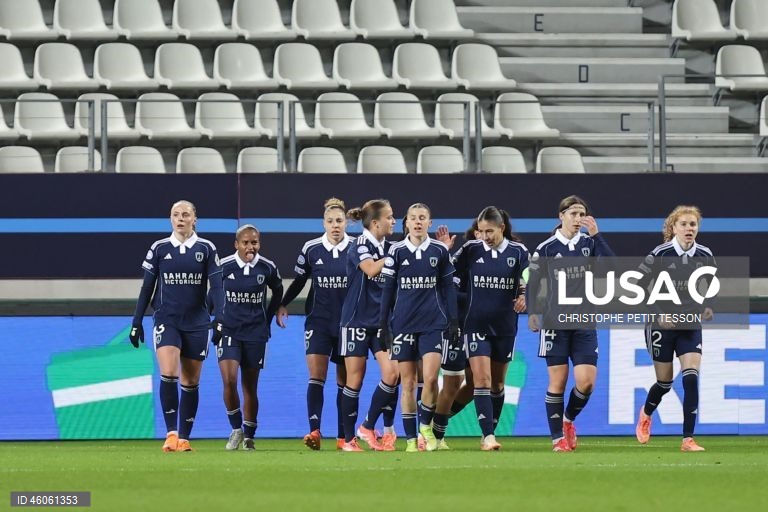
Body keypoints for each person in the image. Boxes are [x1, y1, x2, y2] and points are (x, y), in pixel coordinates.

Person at [129, 200, 224, 452]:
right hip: (167, 319)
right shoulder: (159, 248)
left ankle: (184, 437)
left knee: (191, 381)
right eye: (175, 214)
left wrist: (221, 320)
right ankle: (171, 433)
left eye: (185, 214)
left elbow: (217, 287)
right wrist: (136, 321)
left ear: (195, 219)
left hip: (197, 322)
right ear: (170, 219)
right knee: (169, 372)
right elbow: (147, 287)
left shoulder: (207, 248)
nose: (180, 218)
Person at [526, 195, 615, 452]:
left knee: (586, 382)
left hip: (584, 320)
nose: (578, 219)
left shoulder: (589, 243)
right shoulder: (546, 248)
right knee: (558, 381)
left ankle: (568, 420)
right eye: (574, 214)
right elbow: (534, 282)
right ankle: (557, 439)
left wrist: (598, 235)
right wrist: (533, 312)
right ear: (561, 216)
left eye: (582, 214)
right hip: (555, 322)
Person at [635, 206, 715, 452]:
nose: (689, 229)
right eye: (684, 224)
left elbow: (708, 286)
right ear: (673, 227)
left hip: (689, 324)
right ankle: (646, 413)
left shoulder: (705, 255)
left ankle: (687, 439)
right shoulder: (660, 253)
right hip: (661, 326)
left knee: (691, 377)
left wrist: (707, 306)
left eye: (693, 224)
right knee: (665, 382)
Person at [380, 203, 459, 452]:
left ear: (429, 222)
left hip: (433, 324)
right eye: (413, 218)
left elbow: (448, 288)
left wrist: (454, 320)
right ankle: (411, 440)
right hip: (403, 325)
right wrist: (383, 324)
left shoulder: (439, 251)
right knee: (409, 383)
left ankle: (425, 427)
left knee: (432, 378)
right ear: (407, 223)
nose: (417, 222)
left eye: (422, 218)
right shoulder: (396, 251)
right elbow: (388, 289)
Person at [448, 207, 528, 451]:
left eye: (489, 232)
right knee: (481, 380)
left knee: (497, 385)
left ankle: (442, 422)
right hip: (474, 325)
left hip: (505, 326)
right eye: (481, 231)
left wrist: (526, 296)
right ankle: (488, 436)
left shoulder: (518, 252)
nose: (484, 237)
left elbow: (531, 278)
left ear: (502, 228)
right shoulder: (471, 249)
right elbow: (448, 275)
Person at [276, 198, 351, 451]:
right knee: (317, 377)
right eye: (330, 221)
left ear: (346, 222)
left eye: (339, 221)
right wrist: (283, 303)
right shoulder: (311, 248)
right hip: (318, 321)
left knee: (345, 382)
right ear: (324, 223)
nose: (335, 225)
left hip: (347, 323)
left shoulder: (357, 248)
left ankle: (344, 437)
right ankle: (315, 431)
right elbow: (299, 281)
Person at [338, 199, 399, 452]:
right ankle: (349, 440)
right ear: (375, 223)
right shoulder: (360, 244)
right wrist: (395, 256)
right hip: (356, 320)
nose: (394, 221)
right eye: (390, 216)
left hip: (380, 323)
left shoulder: (388, 246)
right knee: (355, 380)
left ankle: (367, 426)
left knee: (392, 374)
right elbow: (371, 269)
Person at [216, 224, 283, 451]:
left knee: (250, 387)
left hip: (255, 333)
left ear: (259, 244)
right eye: (245, 242)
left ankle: (249, 436)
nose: (250, 247)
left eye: (254, 242)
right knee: (229, 380)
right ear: (236, 244)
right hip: (229, 331)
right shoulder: (223, 266)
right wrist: (215, 319)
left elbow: (278, 290)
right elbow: (211, 294)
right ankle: (236, 429)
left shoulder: (267, 267)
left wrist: (269, 318)